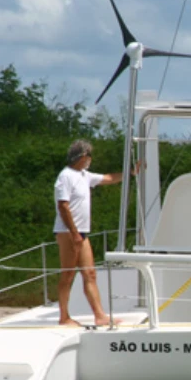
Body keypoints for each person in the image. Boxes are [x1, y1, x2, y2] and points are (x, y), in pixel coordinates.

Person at [53, 139, 136, 327]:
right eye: (89, 156)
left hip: (82, 232)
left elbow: (108, 178)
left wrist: (131, 172)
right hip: (68, 232)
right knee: (68, 275)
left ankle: (100, 315)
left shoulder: (85, 175)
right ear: (83, 156)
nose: (90, 159)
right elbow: (63, 206)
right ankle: (64, 317)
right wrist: (74, 233)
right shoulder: (65, 176)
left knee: (90, 273)